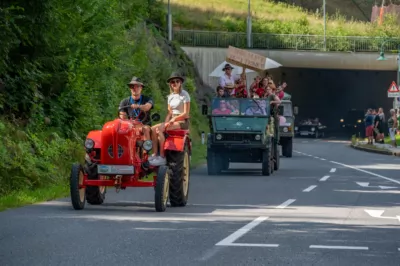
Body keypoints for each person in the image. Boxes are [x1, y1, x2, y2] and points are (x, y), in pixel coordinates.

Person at [149, 72, 191, 166]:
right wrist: (166, 122)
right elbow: (169, 112)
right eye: (172, 82)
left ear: (180, 83)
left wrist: (174, 119)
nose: (175, 83)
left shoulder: (184, 95)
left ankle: (162, 157)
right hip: (172, 119)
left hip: (182, 120)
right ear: (170, 84)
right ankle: (155, 154)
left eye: (177, 81)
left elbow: (186, 113)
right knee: (152, 129)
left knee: (160, 129)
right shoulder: (170, 97)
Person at [118, 76, 154, 142]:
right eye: (132, 86)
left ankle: (146, 150)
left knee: (145, 129)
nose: (135, 88)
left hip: (144, 125)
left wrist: (138, 106)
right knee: (119, 128)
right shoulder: (124, 102)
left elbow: (147, 107)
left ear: (141, 88)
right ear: (130, 88)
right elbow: (122, 118)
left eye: (137, 86)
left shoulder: (147, 99)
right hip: (130, 126)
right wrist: (131, 124)